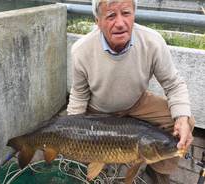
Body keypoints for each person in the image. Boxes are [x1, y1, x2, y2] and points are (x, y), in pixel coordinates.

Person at [67, 0, 195, 183]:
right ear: (97, 21)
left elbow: (173, 84)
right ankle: (93, 162)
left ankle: (159, 169)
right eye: (111, 16)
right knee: (73, 136)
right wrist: (73, 126)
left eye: (126, 13)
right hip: (99, 109)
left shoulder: (153, 41)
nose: (120, 23)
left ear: (134, 14)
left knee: (186, 120)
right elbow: (79, 94)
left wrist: (182, 119)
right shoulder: (81, 49)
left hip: (137, 102)